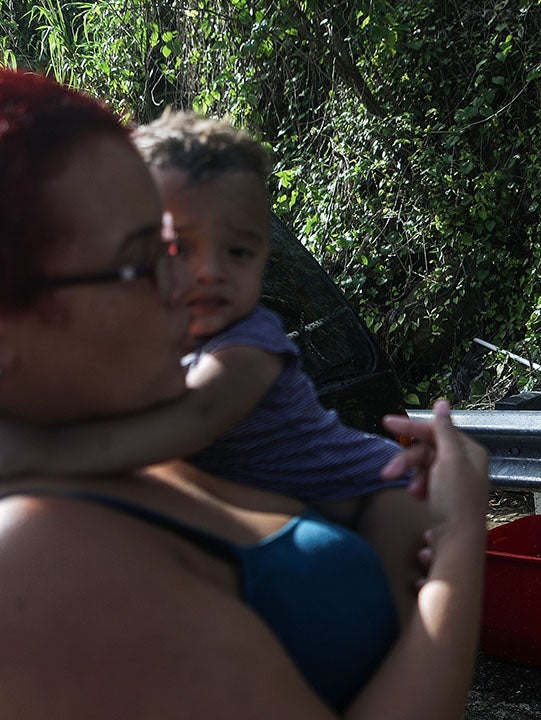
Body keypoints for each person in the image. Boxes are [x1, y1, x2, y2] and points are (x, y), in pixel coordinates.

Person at [0, 68, 488, 718]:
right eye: (147, 258)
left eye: (233, 252)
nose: (192, 282)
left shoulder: (145, 424)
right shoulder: (39, 559)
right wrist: (458, 541)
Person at [0, 109, 432, 618]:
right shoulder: (147, 343)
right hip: (284, 518)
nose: (210, 272)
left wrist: (42, 455)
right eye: (178, 247)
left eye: (239, 251)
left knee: (394, 629)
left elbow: (189, 423)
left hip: (377, 490)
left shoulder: (250, 344)